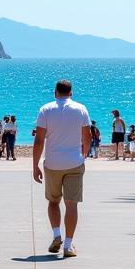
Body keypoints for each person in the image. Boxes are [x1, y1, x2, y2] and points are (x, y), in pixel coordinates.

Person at [34, 80, 91, 259]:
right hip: (74, 162)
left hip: (52, 163)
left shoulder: (46, 109)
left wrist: (35, 165)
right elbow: (88, 136)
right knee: (71, 204)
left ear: (55, 92)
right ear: (71, 93)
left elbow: (39, 140)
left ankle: (56, 234)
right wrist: (84, 155)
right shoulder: (81, 108)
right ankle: (68, 245)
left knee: (53, 202)